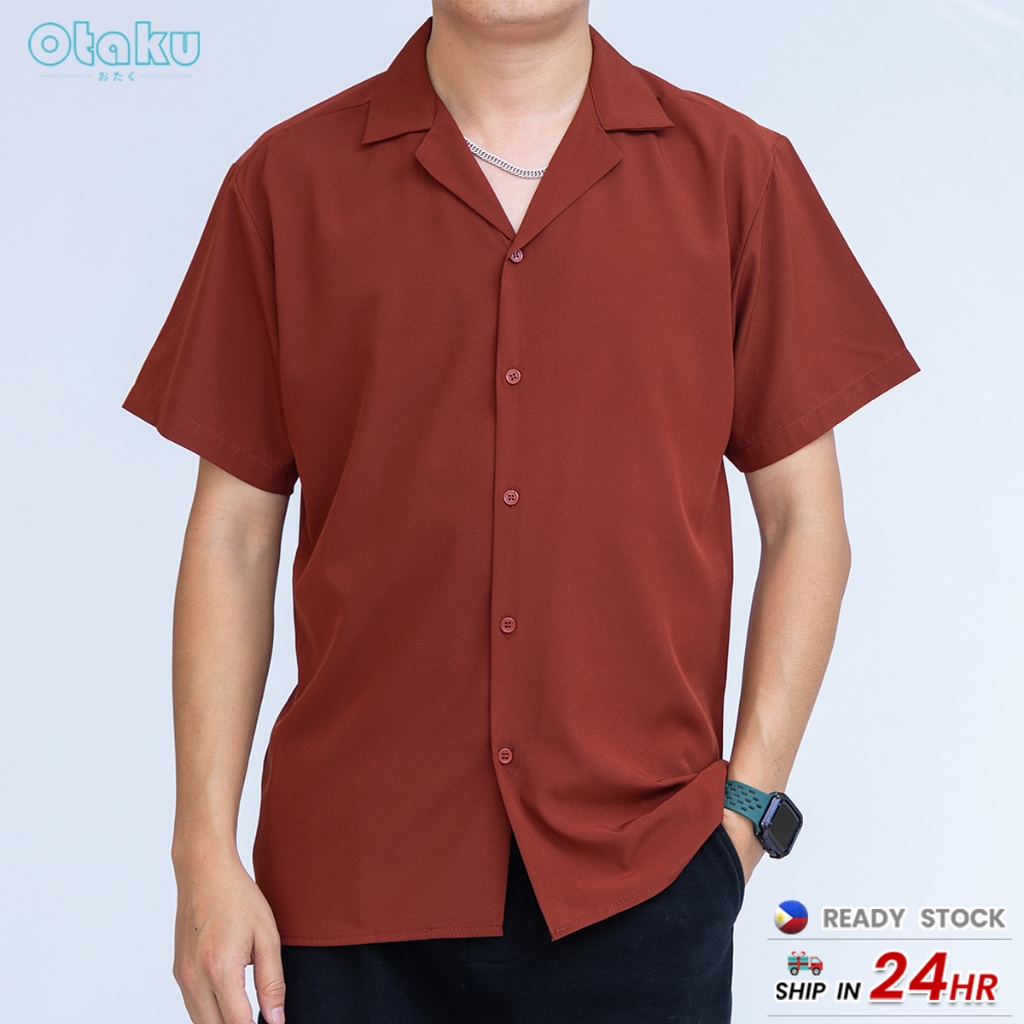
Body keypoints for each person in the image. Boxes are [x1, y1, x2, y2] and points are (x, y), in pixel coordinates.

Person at [123, 2, 919, 1022]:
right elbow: (233, 535)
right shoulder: (285, 183)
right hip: (346, 891)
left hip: (643, 889)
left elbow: (807, 521)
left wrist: (743, 818)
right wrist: (202, 853)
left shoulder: (737, 175)